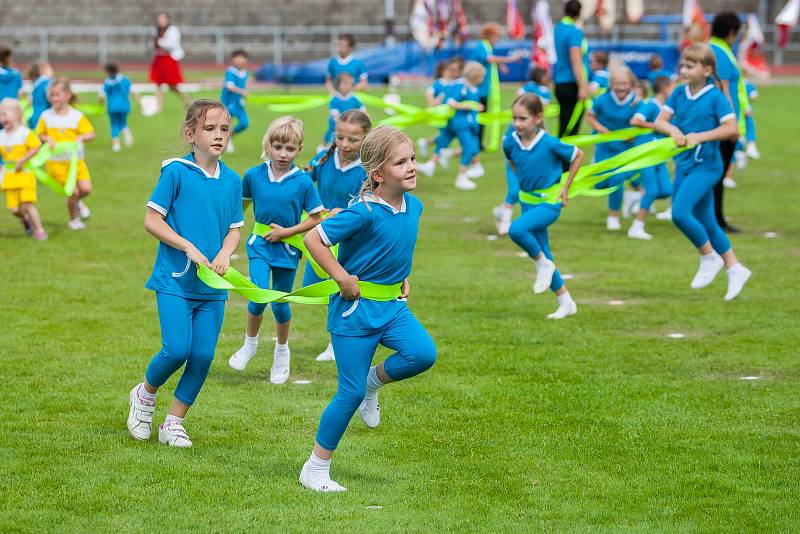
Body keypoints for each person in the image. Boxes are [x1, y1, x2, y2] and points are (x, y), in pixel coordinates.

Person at [298, 125, 435, 492]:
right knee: (349, 392)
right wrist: (342, 278)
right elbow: (314, 238)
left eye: (413, 159)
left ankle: (375, 382)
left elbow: (395, 247)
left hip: (392, 308)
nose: (411, 167)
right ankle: (315, 468)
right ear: (377, 174)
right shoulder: (362, 213)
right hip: (354, 315)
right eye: (401, 162)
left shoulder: (414, 205)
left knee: (422, 353)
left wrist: (402, 276)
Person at [127, 99, 243, 448]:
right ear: (191, 134)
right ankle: (144, 396)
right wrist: (187, 246)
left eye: (224, 129)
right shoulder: (175, 172)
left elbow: (235, 228)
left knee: (204, 355)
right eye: (210, 128)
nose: (218, 135)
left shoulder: (232, 180)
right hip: (175, 280)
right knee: (177, 349)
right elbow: (152, 220)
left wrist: (225, 251)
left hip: (212, 286)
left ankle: (173, 422)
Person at [228, 117, 324, 384]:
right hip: (259, 245)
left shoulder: (304, 182)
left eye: (290, 149)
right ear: (268, 145)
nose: (283, 154)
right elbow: (240, 210)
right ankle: (250, 344)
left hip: (288, 250)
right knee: (258, 296)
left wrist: (286, 232)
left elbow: (316, 218)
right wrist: (225, 233)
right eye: (278, 146)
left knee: (281, 306)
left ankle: (282, 353)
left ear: (300, 148)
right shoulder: (253, 176)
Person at [654, 43, 751, 301]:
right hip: (684, 165)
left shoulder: (716, 97)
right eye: (683, 65)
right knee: (707, 221)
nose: (684, 69)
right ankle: (735, 268)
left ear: (707, 70)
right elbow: (660, 120)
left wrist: (701, 136)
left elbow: (732, 130)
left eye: (691, 65)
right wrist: (673, 130)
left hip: (707, 166)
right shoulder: (678, 93)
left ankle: (709, 256)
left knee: (679, 213)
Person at [505, 93, 583, 319]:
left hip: (549, 204)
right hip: (527, 202)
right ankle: (566, 302)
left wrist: (565, 187)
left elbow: (578, 155)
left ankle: (541, 264)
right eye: (514, 118)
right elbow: (512, 161)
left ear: (538, 118)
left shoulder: (549, 143)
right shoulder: (510, 141)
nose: (517, 124)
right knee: (545, 254)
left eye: (523, 119)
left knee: (516, 230)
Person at [303, 109, 371, 362]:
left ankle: (338, 345)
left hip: (352, 242)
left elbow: (373, 204)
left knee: (342, 289)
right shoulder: (322, 159)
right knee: (317, 290)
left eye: (352, 139)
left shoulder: (368, 168)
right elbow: (301, 183)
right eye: (339, 137)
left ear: (366, 138)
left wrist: (347, 211)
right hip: (321, 240)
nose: (344, 144)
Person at [492, 67, 553, 236]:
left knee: (525, 194)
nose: (518, 121)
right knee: (514, 190)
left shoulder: (543, 136)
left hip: (531, 167)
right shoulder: (513, 131)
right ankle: (505, 220)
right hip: (514, 162)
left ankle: (502, 212)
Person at [585, 64, 642, 231]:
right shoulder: (603, 99)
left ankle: (613, 216)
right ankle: (636, 192)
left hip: (626, 148)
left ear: (631, 84)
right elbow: (590, 116)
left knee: (617, 179)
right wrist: (604, 131)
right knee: (600, 184)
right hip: (605, 147)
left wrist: (634, 134)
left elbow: (645, 121)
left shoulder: (637, 102)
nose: (621, 87)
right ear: (612, 84)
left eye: (625, 84)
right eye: (618, 84)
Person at [35, 78, 95, 230]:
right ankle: (74, 219)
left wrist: (81, 137)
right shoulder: (46, 116)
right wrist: (46, 138)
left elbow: (91, 133)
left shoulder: (76, 116)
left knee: (86, 190)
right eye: (51, 95)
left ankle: (78, 203)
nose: (53, 98)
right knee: (73, 192)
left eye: (57, 94)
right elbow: (39, 134)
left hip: (77, 163)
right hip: (56, 164)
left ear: (67, 95)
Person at [418, 61, 485, 191]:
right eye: (481, 76)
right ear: (475, 76)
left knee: (443, 142)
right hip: (460, 123)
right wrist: (469, 106)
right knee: (469, 148)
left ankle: (430, 165)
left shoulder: (473, 88)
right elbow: (451, 102)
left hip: (464, 123)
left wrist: (476, 107)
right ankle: (462, 177)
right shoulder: (461, 85)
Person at [709, 12, 743, 233]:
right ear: (731, 32)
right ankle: (716, 220)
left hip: (720, 121)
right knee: (717, 173)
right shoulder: (719, 52)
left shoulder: (717, 48)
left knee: (715, 172)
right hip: (722, 123)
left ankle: (713, 217)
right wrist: (731, 124)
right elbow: (723, 88)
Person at [628, 75, 674, 239]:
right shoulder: (652, 105)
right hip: (646, 153)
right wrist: (656, 126)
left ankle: (636, 197)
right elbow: (635, 120)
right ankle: (636, 227)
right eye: (673, 88)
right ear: (665, 88)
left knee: (666, 190)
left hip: (658, 154)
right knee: (652, 190)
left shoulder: (667, 108)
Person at [468, 22, 524, 150]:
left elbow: (490, 60)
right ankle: (475, 143)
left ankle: (479, 143)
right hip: (478, 89)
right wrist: (509, 59)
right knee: (479, 117)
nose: (497, 39)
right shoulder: (482, 46)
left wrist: (500, 65)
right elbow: (489, 59)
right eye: (496, 36)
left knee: (483, 116)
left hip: (483, 88)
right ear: (490, 35)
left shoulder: (487, 47)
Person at [0, 98, 47, 240]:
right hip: (9, 176)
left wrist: (22, 160)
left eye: (4, 114)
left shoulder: (24, 133)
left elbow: (36, 146)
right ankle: (26, 220)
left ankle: (39, 229)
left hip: (25, 175)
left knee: (27, 204)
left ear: (17, 114)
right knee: (14, 209)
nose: (2, 118)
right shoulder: (1, 136)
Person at [553, 0, 589, 138]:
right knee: (570, 131)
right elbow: (576, 60)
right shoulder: (574, 31)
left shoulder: (558, 28)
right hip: (571, 83)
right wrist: (582, 86)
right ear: (579, 13)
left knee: (564, 125)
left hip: (560, 81)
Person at [150, 12, 190, 113]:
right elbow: (151, 43)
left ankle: (187, 99)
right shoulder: (155, 30)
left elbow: (173, 44)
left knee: (172, 85)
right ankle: (158, 108)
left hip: (169, 59)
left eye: (163, 19)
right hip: (159, 58)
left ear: (168, 20)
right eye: (159, 19)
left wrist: (160, 42)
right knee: (157, 84)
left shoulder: (173, 30)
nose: (161, 21)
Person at [322, 73, 366, 149]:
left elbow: (364, 111)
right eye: (346, 83)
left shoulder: (354, 98)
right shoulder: (335, 99)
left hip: (352, 123)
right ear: (338, 84)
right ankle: (323, 148)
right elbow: (335, 116)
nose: (349, 85)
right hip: (336, 125)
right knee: (329, 136)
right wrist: (342, 125)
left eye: (351, 83)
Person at [220, 49, 250, 153]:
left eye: (242, 57)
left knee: (245, 123)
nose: (240, 60)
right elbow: (230, 86)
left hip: (238, 104)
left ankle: (228, 138)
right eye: (237, 57)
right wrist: (242, 92)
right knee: (224, 125)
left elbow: (244, 87)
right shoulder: (230, 71)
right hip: (227, 104)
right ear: (233, 59)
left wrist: (243, 97)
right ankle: (222, 143)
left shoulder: (245, 73)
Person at [100, 63, 134, 152]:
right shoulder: (125, 80)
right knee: (123, 123)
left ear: (107, 72)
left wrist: (100, 104)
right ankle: (126, 131)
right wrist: (140, 103)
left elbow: (102, 96)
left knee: (114, 124)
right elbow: (133, 92)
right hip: (125, 106)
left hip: (112, 107)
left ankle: (116, 144)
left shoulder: (107, 82)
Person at [26, 62, 53, 130]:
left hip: (34, 118)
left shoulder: (35, 85)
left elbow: (29, 102)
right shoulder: (48, 83)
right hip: (46, 119)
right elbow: (50, 98)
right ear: (42, 70)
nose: (52, 70)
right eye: (49, 68)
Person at [743, 79, 760, 159]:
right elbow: (754, 96)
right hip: (740, 110)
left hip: (743, 109)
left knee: (749, 126)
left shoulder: (747, 84)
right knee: (748, 126)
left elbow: (753, 96)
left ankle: (750, 147)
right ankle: (748, 148)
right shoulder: (746, 84)